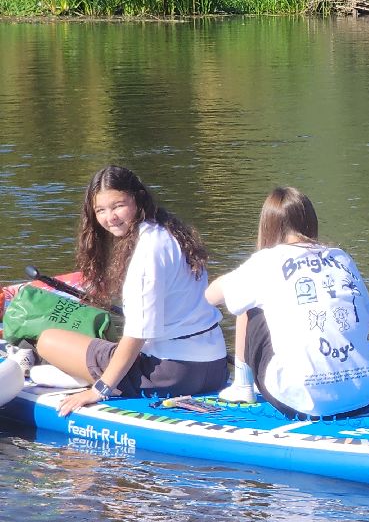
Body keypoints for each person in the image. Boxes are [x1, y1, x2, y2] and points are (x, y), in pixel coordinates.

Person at [37, 165, 229, 417]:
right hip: (215, 369)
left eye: (118, 205)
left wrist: (100, 390)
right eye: (101, 210)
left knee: (48, 340)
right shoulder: (172, 232)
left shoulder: (147, 251)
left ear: (137, 200)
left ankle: (51, 371)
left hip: (170, 375)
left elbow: (137, 334)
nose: (110, 217)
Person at [205, 187, 369, 418]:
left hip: (304, 399)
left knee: (247, 304)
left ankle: (242, 387)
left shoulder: (267, 260)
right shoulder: (342, 257)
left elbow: (211, 296)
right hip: (367, 390)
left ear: (269, 226)